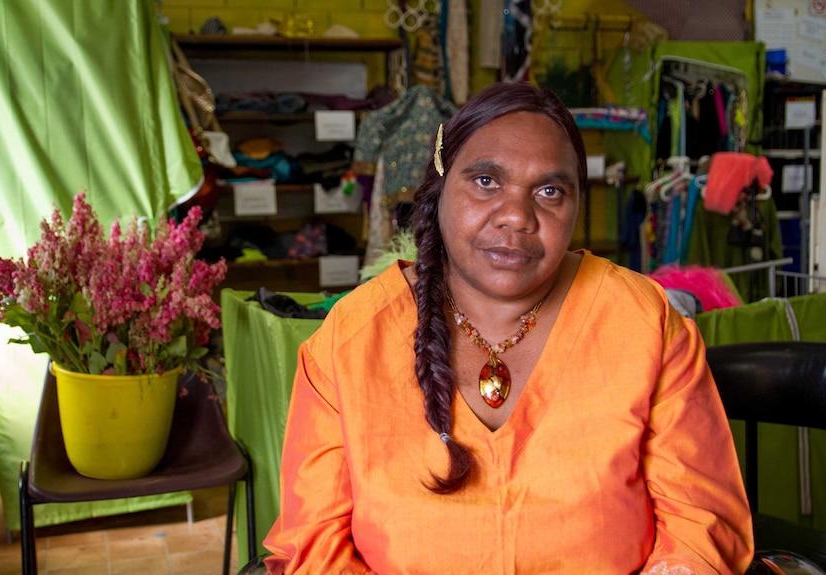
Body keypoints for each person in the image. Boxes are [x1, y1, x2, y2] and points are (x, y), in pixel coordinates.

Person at [262, 82, 754, 574]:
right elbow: (314, 545)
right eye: (485, 182)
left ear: (576, 207)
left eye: (549, 191)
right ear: (440, 185)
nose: (517, 217)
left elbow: (699, 524)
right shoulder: (352, 338)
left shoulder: (643, 322)